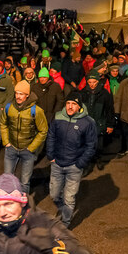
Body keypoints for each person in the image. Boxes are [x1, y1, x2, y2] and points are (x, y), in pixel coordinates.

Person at [47, 92, 97, 228]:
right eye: (68, 103)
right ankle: (63, 209)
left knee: (69, 198)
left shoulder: (88, 122)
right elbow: (51, 136)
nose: (70, 106)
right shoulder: (57, 117)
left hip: (74, 166)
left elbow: (91, 145)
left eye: (74, 104)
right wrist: (51, 155)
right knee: (54, 195)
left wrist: (80, 163)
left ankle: (65, 223)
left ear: (79, 106)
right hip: (57, 164)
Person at [0, 80, 48, 193]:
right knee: (8, 179)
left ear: (27, 95)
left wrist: (31, 148)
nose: (18, 96)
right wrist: (6, 142)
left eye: (21, 94)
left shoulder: (36, 111)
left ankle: (23, 201)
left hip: (27, 151)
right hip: (11, 148)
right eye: (16, 93)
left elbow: (43, 131)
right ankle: (11, 200)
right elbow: (3, 124)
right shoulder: (9, 107)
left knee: (25, 182)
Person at [80, 70, 115, 171]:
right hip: (86, 124)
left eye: (94, 82)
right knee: (86, 145)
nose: (92, 84)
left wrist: (110, 125)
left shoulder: (105, 94)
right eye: (90, 82)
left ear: (98, 81)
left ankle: (98, 159)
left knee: (98, 145)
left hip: (99, 123)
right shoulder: (82, 93)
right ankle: (87, 165)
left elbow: (109, 110)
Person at [31, 68, 65, 133]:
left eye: (44, 77)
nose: (42, 79)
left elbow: (60, 101)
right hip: (38, 116)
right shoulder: (35, 87)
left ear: (48, 77)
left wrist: (55, 114)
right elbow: (32, 101)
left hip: (51, 116)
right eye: (40, 77)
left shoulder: (55, 86)